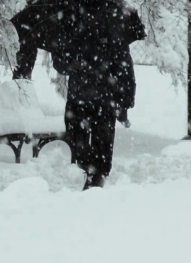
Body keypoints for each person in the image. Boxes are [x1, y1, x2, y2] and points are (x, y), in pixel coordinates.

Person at [13, 25, 138, 190]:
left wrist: (124, 103)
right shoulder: (72, 30)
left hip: (104, 100)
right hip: (79, 98)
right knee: (79, 141)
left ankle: (97, 177)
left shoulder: (113, 34)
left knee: (102, 143)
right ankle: (89, 172)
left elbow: (125, 70)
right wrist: (68, 65)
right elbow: (59, 60)